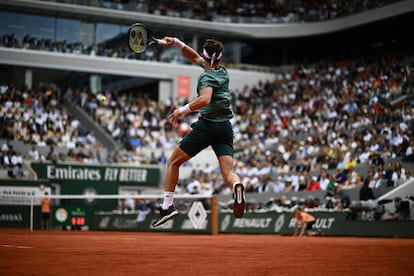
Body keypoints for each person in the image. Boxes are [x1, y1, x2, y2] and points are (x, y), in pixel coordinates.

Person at [151, 37, 246, 227]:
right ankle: (237, 186)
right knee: (228, 173)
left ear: (207, 56)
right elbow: (194, 57)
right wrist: (176, 42)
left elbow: (205, 100)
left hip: (208, 126)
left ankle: (167, 207)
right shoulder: (222, 71)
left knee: (173, 162)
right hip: (225, 127)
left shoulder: (206, 77)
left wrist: (181, 110)